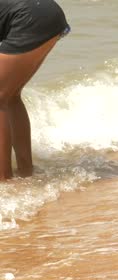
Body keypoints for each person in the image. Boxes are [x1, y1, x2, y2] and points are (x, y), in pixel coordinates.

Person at [0, 0, 68, 180]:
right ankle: (25, 172)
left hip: (28, 17)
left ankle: (4, 180)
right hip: (48, 13)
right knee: (10, 96)